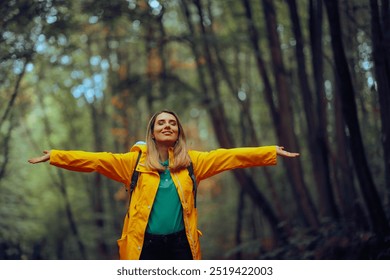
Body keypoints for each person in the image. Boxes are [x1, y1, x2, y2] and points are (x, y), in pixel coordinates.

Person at [28, 109, 299, 260]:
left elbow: (231, 157)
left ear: (178, 131)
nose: (167, 126)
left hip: (182, 245)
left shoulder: (193, 163)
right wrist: (56, 156)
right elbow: (96, 160)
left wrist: (270, 151)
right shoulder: (133, 164)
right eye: (161, 123)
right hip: (144, 246)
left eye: (172, 123)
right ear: (153, 132)